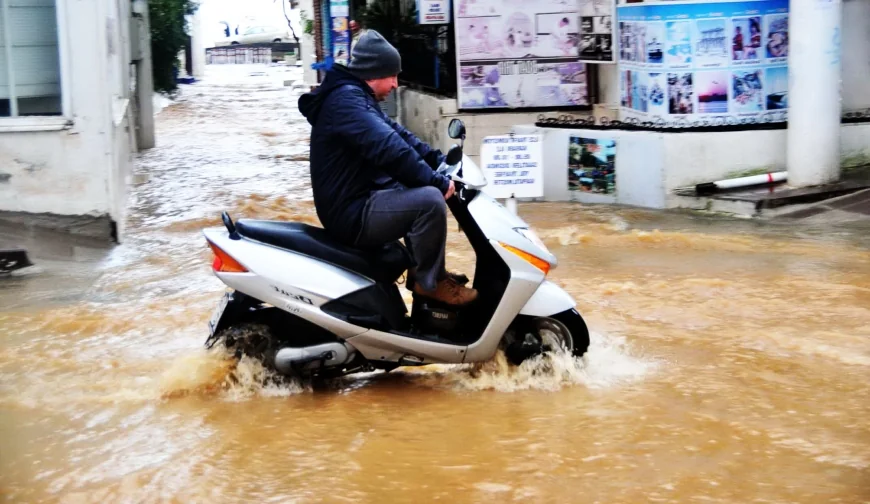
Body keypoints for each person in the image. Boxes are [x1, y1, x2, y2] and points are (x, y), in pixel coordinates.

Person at [297, 30, 478, 306]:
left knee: (416, 187)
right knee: (429, 201)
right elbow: (389, 148)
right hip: (351, 213)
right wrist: (436, 181)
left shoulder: (356, 97)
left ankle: (426, 271)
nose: (395, 84)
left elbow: (399, 135)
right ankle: (429, 284)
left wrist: (437, 160)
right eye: (392, 76)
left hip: (360, 198)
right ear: (373, 73)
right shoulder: (347, 103)